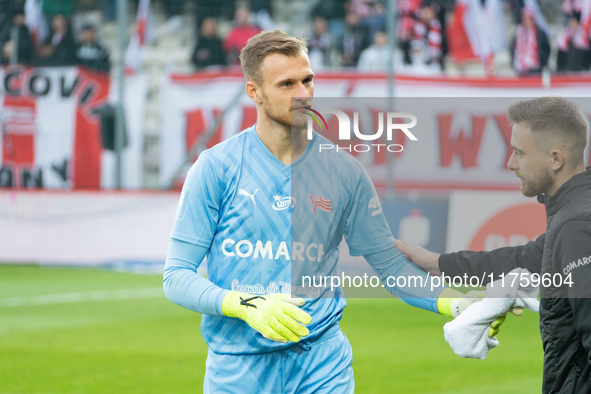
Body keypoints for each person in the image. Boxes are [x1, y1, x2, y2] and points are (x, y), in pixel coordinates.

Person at [163, 30, 502, 393]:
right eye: (286, 84)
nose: (303, 94)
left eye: (307, 80)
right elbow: (177, 276)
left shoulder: (344, 171)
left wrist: (454, 302)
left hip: (321, 365)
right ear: (254, 92)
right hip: (238, 368)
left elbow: (389, 264)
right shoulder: (215, 168)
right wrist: (242, 305)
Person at [396, 97, 591, 394]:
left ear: (555, 159)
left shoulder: (575, 226)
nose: (511, 164)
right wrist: (439, 263)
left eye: (519, 153)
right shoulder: (574, 212)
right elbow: (525, 259)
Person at [510, 6, 550, 75]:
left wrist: (542, 62)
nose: (526, 21)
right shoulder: (518, 32)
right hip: (521, 68)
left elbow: (546, 48)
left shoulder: (539, 33)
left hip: (535, 68)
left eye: (528, 19)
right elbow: (512, 48)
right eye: (525, 19)